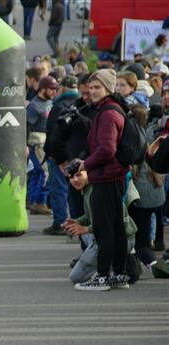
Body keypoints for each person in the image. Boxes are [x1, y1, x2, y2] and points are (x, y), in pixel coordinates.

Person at [70, 69, 132, 291]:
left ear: (108, 88)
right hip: (112, 176)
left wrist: (85, 164)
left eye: (98, 87)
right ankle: (119, 274)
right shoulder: (112, 110)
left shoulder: (107, 114)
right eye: (91, 87)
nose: (92, 91)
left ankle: (103, 276)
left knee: (106, 230)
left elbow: (106, 149)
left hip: (106, 177)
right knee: (115, 228)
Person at [128, 104, 169, 277]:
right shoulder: (154, 133)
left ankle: (154, 265)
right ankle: (159, 245)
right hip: (157, 193)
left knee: (142, 241)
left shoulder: (134, 140)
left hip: (142, 196)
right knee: (157, 225)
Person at [43, 75, 80, 234]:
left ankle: (60, 223)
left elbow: (52, 133)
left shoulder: (58, 106)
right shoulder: (81, 104)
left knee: (59, 189)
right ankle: (76, 222)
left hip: (59, 156)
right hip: (77, 155)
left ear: (63, 88)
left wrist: (55, 156)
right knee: (76, 191)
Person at [26, 75, 57, 215]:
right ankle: (39, 202)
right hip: (37, 143)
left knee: (38, 173)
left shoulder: (51, 103)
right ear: (42, 89)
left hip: (46, 142)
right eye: (51, 89)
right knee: (45, 172)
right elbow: (27, 126)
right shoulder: (34, 105)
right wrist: (25, 145)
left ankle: (34, 201)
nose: (53, 92)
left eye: (55, 89)